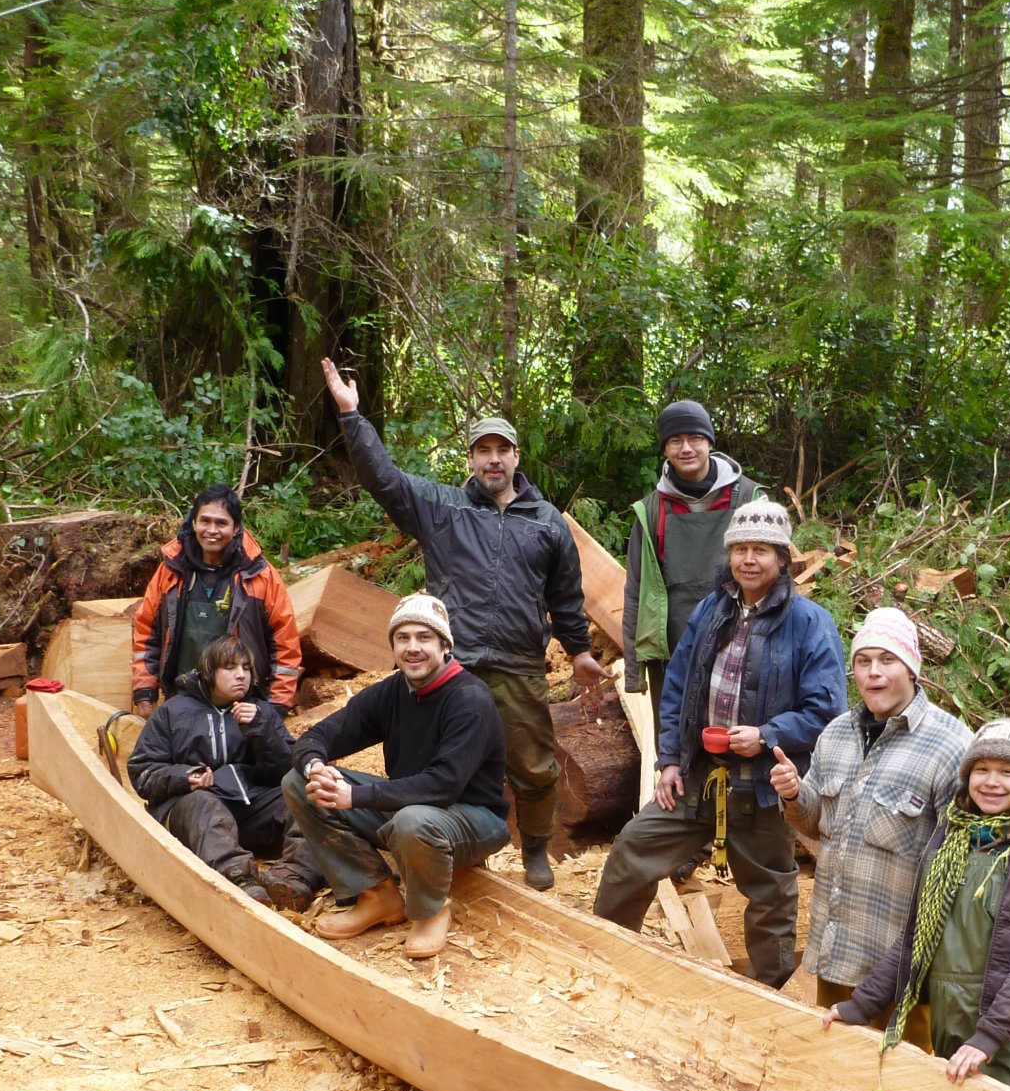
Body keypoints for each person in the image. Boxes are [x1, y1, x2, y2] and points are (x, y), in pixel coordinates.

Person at [319, 359, 602, 892]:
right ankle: (440, 846)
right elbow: (382, 478)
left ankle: (535, 849)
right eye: (483, 451)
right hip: (455, 666)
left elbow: (566, 595)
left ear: (517, 456)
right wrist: (352, 414)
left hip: (519, 665)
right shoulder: (442, 508)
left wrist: (580, 649)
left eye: (502, 450)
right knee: (440, 763)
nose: (493, 460)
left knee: (535, 768)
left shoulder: (547, 524)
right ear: (470, 459)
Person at [592, 499, 845, 987]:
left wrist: (767, 734)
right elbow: (680, 687)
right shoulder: (713, 608)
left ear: (782, 559)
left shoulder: (810, 622)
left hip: (762, 786)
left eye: (761, 550)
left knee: (770, 892)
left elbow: (826, 711)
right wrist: (668, 759)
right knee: (633, 850)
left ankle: (768, 994)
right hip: (698, 776)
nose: (749, 559)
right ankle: (608, 955)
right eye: (741, 548)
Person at [821, 718, 1010, 1091]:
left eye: (1007, 772)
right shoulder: (950, 841)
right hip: (951, 1022)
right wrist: (863, 1004)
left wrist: (988, 1037)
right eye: (982, 770)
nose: (992, 782)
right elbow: (915, 938)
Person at [283, 594, 510, 959]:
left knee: (413, 821)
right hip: (411, 810)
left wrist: (355, 797)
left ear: (444, 645)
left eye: (424, 638)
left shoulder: (470, 699)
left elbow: (442, 785)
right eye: (403, 638)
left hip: (473, 819)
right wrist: (315, 766)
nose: (413, 648)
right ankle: (377, 894)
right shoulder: (393, 690)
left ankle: (431, 910)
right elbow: (318, 736)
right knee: (297, 783)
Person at [770, 608, 970, 1006]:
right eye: (863, 661)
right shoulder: (836, 734)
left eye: (887, 660)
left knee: (904, 1065)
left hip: (904, 971)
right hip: (837, 952)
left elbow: (962, 868)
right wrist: (794, 794)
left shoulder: (953, 745)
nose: (873, 672)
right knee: (836, 1062)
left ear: (912, 669)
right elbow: (815, 826)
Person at [126, 636, 322, 908]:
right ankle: (240, 881)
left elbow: (286, 770)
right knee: (204, 804)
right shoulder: (173, 712)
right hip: (192, 814)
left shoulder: (261, 711)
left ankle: (294, 876)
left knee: (303, 793)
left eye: (245, 667)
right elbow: (142, 770)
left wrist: (261, 731)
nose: (241, 675)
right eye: (230, 668)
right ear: (209, 672)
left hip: (248, 810)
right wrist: (184, 777)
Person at [621, 400, 765, 714]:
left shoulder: (749, 500)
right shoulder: (650, 511)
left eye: (695, 438)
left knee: (738, 748)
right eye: (675, 440)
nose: (686, 448)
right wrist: (634, 672)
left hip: (743, 651)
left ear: (710, 442)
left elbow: (778, 582)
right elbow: (635, 591)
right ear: (665, 450)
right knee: (674, 752)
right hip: (672, 658)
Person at [132, 484, 304, 714]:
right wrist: (145, 691)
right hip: (180, 700)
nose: (212, 530)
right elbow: (146, 632)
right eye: (205, 521)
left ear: (236, 528)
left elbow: (285, 642)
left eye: (221, 523)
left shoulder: (260, 575)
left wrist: (276, 705)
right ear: (193, 523)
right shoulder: (171, 571)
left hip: (242, 706)